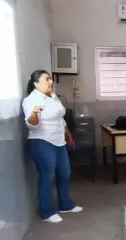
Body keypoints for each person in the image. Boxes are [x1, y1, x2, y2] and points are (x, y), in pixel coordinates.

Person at [22, 70, 83, 223]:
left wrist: (69, 137)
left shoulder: (53, 97)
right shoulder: (31, 100)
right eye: (46, 79)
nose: (51, 82)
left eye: (50, 79)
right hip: (42, 141)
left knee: (64, 173)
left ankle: (65, 205)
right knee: (47, 176)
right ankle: (47, 212)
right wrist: (35, 113)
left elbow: (61, 120)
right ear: (36, 83)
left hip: (59, 142)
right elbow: (31, 124)